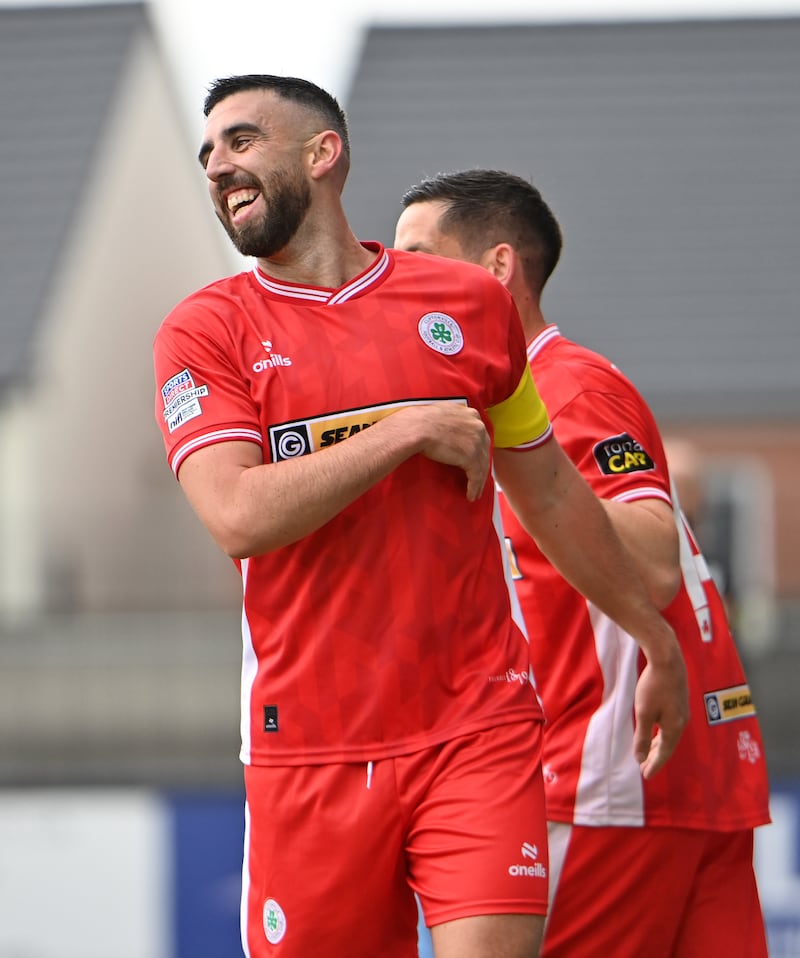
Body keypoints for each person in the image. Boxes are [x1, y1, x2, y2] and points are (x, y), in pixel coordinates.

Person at [153, 76, 689, 958]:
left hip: (477, 726)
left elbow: (549, 490)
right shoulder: (203, 331)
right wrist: (402, 430)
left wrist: (652, 636)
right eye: (208, 152)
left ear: (323, 154)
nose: (218, 165)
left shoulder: (470, 308)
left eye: (242, 141)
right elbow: (237, 515)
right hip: (310, 750)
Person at [394, 168, 771, 958]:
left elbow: (653, 557)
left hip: (606, 782)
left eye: (419, 256)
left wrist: (538, 482)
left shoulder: (559, 388)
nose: (398, 281)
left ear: (498, 269)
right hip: (679, 779)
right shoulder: (530, 394)